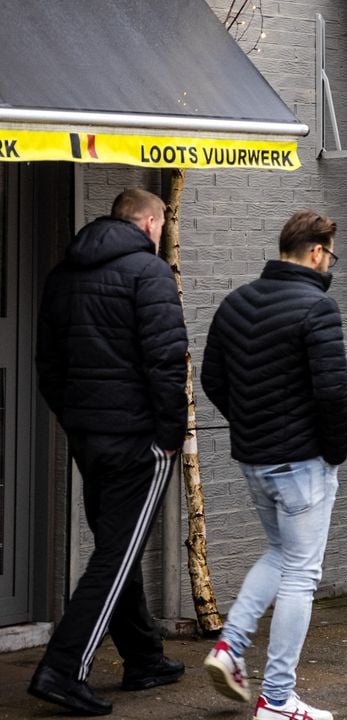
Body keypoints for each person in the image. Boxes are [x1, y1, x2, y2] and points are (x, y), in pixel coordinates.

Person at [28, 188, 188, 716]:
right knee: (116, 555)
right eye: (161, 223)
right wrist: (170, 434)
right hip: (139, 439)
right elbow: (167, 361)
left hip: (87, 435)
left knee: (117, 545)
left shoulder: (64, 274)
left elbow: (46, 361)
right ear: (148, 223)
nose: (162, 232)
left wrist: (73, 417)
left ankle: (143, 657)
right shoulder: (150, 274)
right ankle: (62, 668)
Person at [201, 210, 347, 720]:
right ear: (316, 252)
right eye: (331, 254)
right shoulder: (318, 308)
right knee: (301, 577)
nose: (330, 262)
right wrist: (334, 452)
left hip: (256, 458)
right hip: (303, 462)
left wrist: (251, 424)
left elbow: (212, 380)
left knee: (279, 553)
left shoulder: (236, 303)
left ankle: (229, 647)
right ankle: (278, 698)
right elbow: (333, 393)